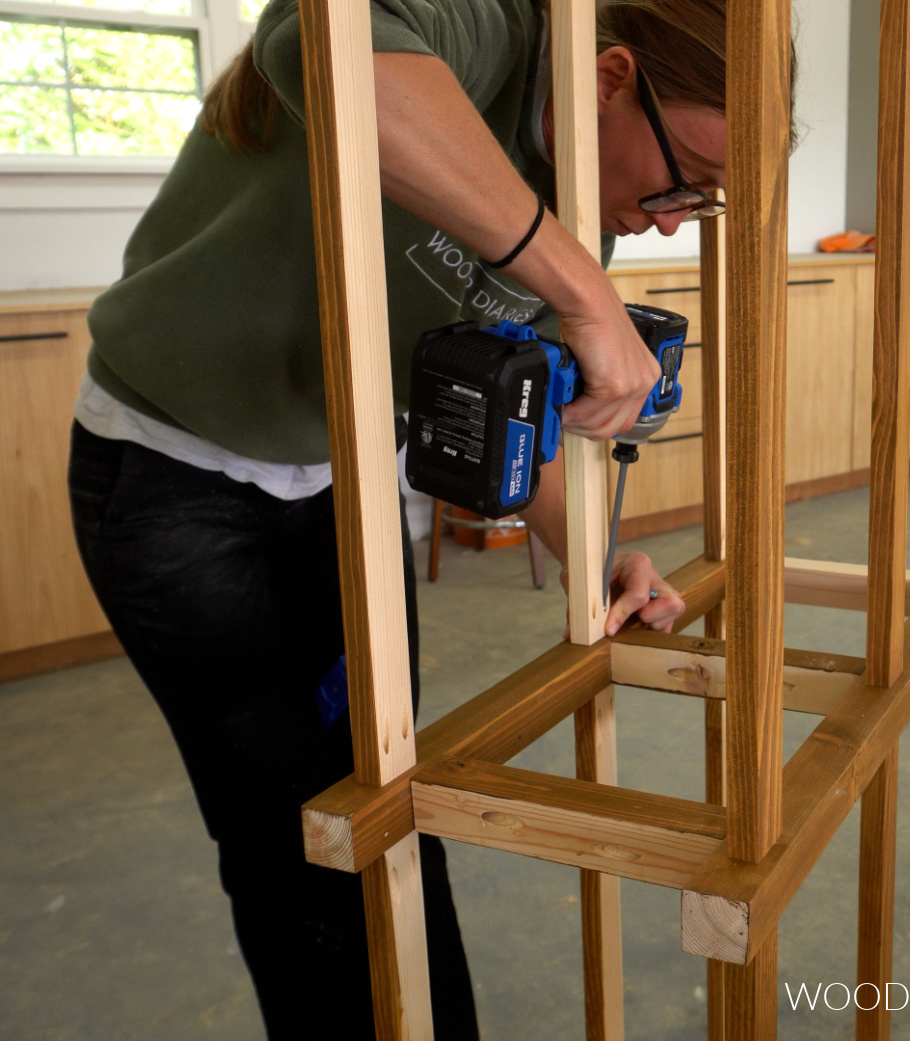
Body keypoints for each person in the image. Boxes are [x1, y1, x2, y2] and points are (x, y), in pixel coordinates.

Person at [67, 0, 781, 1036]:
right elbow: (323, 45)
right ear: (613, 77)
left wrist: (599, 550)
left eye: (701, 203)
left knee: (396, 800)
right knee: (287, 835)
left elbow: (516, 419)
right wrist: (579, 289)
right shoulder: (486, 27)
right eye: (686, 180)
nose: (674, 216)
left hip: (340, 484)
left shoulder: (577, 211)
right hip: (168, 471)